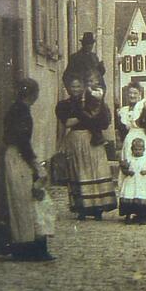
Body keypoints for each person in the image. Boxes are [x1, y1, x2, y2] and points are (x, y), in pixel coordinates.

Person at [0, 78, 54, 261]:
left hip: (14, 155)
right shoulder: (21, 112)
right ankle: (28, 247)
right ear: (33, 95)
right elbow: (22, 141)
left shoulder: (16, 109)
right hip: (18, 157)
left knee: (21, 202)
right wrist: (34, 163)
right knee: (25, 202)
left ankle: (25, 245)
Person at [56, 75, 117, 221]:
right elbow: (68, 123)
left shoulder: (93, 102)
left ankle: (98, 207)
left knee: (96, 171)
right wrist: (86, 115)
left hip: (93, 139)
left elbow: (104, 122)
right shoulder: (65, 104)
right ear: (68, 88)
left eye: (78, 86)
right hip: (76, 140)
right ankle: (82, 207)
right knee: (79, 172)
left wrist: (93, 110)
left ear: (83, 87)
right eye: (73, 87)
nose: (75, 90)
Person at [118, 138, 146, 225]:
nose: (137, 151)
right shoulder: (129, 159)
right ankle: (128, 215)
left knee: (142, 198)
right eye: (135, 149)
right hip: (131, 182)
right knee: (129, 197)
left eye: (140, 149)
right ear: (132, 150)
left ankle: (142, 216)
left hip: (143, 182)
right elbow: (124, 169)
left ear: (143, 150)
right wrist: (128, 172)